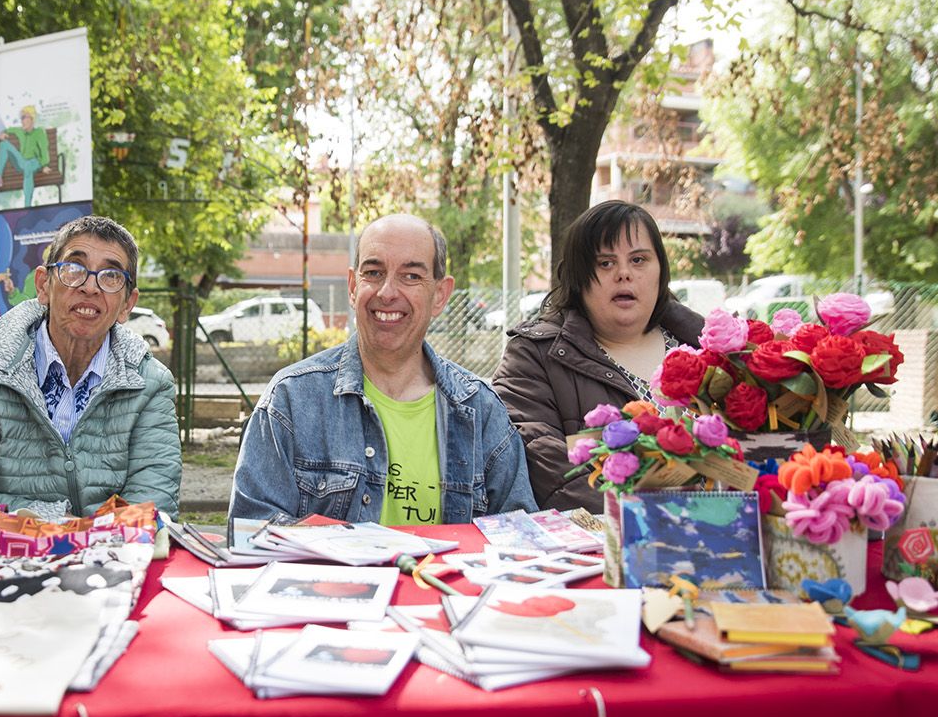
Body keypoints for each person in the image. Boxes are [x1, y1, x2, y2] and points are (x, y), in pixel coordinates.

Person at [230, 213, 536, 525]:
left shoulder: (481, 412)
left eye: (411, 276)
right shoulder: (291, 401)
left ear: (440, 295)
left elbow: (522, 538)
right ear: (353, 287)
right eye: (374, 273)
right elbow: (251, 531)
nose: (387, 292)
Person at [0, 214, 180, 518]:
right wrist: (58, 525)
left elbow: (152, 504)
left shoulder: (151, 385)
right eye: (74, 268)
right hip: (15, 548)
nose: (90, 287)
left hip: (117, 548)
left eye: (111, 276)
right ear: (43, 285)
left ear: (127, 304)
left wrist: (84, 538)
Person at [493, 200, 704, 512]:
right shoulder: (534, 356)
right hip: (604, 535)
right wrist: (650, 516)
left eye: (638, 260)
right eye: (605, 263)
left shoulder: (711, 349)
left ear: (661, 270)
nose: (623, 274)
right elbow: (546, 464)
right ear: (577, 278)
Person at [0, 105, 53, 208]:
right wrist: (2, 133)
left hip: (35, 163)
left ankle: (27, 206)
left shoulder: (39, 132)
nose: (22, 121)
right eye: (21, 118)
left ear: (32, 119)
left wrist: (44, 165)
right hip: (22, 162)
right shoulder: (20, 131)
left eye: (24, 117)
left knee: (28, 166)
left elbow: (44, 151)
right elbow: (8, 130)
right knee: (4, 144)